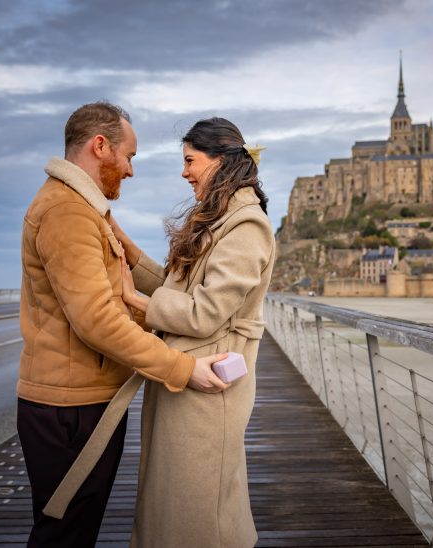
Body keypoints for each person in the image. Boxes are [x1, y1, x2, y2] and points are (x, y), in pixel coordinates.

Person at [17, 102, 228, 548]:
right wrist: (183, 370)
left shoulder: (83, 208)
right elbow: (98, 322)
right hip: (69, 412)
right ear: (100, 147)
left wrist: (128, 254)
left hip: (80, 404)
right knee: (64, 536)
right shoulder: (68, 212)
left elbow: (114, 294)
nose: (130, 171)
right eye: (129, 156)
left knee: (72, 530)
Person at [113, 117, 275, 547]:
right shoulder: (222, 218)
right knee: (180, 501)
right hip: (190, 376)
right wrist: (129, 252)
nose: (184, 172)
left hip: (209, 385)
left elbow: (204, 313)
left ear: (221, 161)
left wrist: (138, 303)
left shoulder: (246, 226)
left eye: (190, 161)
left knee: (197, 511)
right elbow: (178, 290)